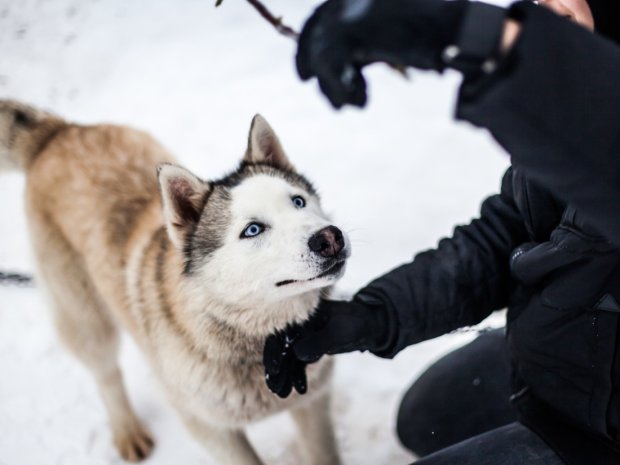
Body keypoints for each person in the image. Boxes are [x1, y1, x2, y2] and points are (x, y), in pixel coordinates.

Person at [262, 0, 620, 464]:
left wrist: (484, 36)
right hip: (571, 352)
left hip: (603, 438)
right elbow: (505, 234)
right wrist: (373, 316)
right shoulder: (576, 90)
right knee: (424, 416)